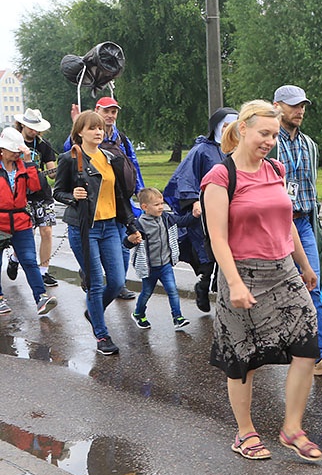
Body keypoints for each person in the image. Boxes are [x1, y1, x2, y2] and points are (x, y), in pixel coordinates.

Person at [201, 100, 322, 462]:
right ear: (242, 130)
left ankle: (292, 428)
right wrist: (235, 283)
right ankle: (244, 432)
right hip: (242, 272)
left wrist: (304, 264)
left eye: (274, 134)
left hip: (283, 270)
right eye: (264, 133)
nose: (270, 140)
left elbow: (285, 222)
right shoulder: (220, 177)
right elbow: (217, 237)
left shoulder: (275, 168)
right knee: (243, 358)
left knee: (307, 346)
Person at [272, 85, 322, 376]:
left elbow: (310, 188)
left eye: (302, 105)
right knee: (274, 292)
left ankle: (319, 355)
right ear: (276, 106)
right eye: (293, 105)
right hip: (273, 226)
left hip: (302, 222)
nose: (299, 111)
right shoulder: (269, 142)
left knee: (311, 284)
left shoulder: (310, 145)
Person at [54, 112, 142, 355]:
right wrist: (72, 196)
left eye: (100, 128)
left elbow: (121, 197)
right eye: (92, 128)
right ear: (80, 132)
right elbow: (57, 192)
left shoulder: (111, 158)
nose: (98, 132)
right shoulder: (70, 159)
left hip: (111, 227)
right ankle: (102, 337)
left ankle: (93, 311)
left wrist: (131, 226)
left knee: (116, 281)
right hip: (84, 229)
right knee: (94, 284)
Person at [67, 97, 145, 300]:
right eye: (106, 112)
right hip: (94, 205)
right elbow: (71, 155)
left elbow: (132, 164)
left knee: (123, 242)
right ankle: (91, 278)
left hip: (119, 200)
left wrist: (140, 190)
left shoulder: (122, 139)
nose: (110, 116)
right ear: (97, 111)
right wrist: (76, 126)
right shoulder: (86, 135)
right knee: (97, 253)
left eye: (114, 112)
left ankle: (119, 284)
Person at [163, 107, 238, 312]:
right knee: (208, 255)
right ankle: (204, 286)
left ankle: (221, 292)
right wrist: (194, 201)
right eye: (225, 126)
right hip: (205, 213)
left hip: (232, 212)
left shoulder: (238, 151)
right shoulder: (202, 151)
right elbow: (185, 177)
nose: (229, 130)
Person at [0, 127, 58, 316]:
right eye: (13, 149)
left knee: (29, 260)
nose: (17, 152)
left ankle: (41, 298)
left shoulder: (23, 165)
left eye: (19, 149)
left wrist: (29, 162)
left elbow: (35, 187)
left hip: (20, 220)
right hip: (0, 221)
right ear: (2, 150)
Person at [126, 187, 195, 330]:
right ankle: (138, 313)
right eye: (157, 205)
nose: (161, 207)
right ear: (145, 207)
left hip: (165, 265)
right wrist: (131, 239)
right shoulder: (139, 224)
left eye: (162, 203)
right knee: (146, 293)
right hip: (150, 268)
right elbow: (126, 243)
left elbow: (182, 221)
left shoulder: (166, 218)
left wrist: (195, 215)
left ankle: (177, 317)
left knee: (172, 290)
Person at [11, 108, 58, 287]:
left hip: (42, 194)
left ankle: (44, 271)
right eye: (31, 127)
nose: (34, 131)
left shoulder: (44, 144)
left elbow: (51, 173)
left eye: (36, 127)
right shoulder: (13, 142)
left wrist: (57, 170)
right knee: (26, 233)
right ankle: (15, 258)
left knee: (46, 231)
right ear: (22, 125)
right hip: (21, 193)